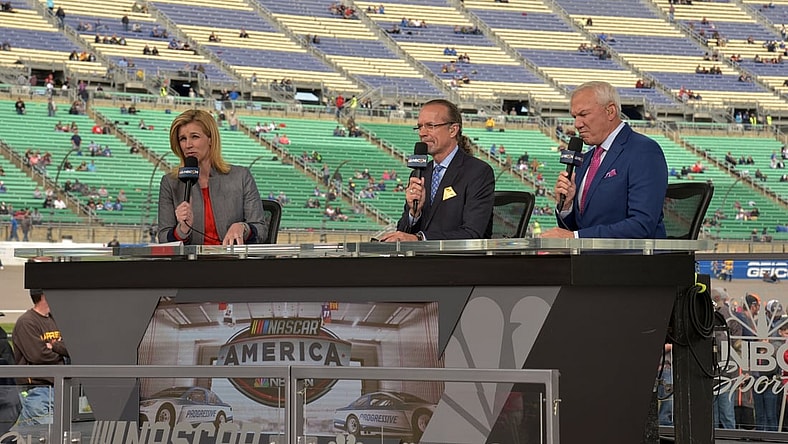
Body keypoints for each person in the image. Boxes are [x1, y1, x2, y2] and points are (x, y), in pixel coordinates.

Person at [543, 81, 668, 238]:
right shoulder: (585, 160)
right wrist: (567, 206)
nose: (577, 124)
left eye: (583, 114)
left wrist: (576, 238)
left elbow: (642, 225)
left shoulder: (643, 151)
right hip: (589, 259)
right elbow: (579, 228)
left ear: (610, 111)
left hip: (632, 260)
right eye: (574, 117)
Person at [380, 99, 495, 241]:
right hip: (420, 260)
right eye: (420, 127)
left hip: (458, 261)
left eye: (430, 126)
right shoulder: (421, 173)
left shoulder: (478, 172)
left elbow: (472, 234)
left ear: (453, 130)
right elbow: (404, 233)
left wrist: (420, 239)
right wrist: (414, 213)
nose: (422, 133)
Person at [158, 110, 268, 245]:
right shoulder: (170, 183)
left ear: (210, 139)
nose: (188, 145)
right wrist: (182, 229)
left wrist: (243, 228)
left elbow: (261, 231)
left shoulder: (241, 177)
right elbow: (163, 238)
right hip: (191, 264)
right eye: (183, 139)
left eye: (195, 137)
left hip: (232, 262)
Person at [13, 288, 69, 426]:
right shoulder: (27, 322)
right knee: (47, 434)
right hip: (37, 390)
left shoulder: (55, 319)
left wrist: (54, 346)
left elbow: (72, 348)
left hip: (59, 387)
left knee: (54, 433)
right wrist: (61, 353)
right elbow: (38, 355)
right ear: (44, 296)